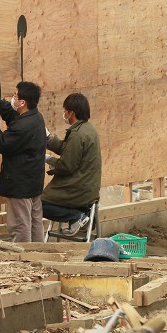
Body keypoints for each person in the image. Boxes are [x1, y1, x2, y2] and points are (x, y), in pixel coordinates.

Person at [0, 82, 47, 243]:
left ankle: (24, 260)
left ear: (22, 102)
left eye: (15, 95)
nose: (13, 97)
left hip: (20, 185)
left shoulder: (24, 126)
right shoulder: (35, 117)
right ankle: (39, 255)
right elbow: (14, 119)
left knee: (20, 225)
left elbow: (4, 143)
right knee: (35, 223)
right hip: (33, 183)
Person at [43, 93, 102, 235]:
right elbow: (68, 149)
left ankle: (76, 217)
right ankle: (81, 215)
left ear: (71, 113)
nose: (64, 114)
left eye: (65, 111)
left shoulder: (77, 134)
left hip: (78, 188)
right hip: (86, 185)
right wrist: (49, 138)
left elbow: (67, 165)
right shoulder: (88, 129)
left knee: (39, 204)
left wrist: (47, 159)